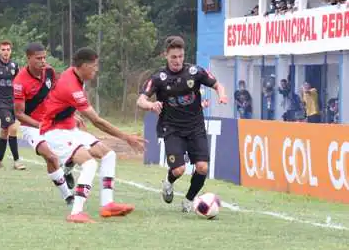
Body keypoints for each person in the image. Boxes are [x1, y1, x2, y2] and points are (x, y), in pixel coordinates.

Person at [40, 47, 146, 223]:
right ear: (82, 66)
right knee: (89, 163)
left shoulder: (75, 76)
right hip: (54, 133)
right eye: (93, 66)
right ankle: (75, 213)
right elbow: (97, 121)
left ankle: (107, 204)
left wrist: (71, 113)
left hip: (69, 128)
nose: (96, 70)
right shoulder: (72, 86)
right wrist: (126, 137)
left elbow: (58, 99)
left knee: (108, 155)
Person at [136, 36, 227, 213]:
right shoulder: (159, 78)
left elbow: (217, 84)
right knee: (179, 169)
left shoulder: (195, 72)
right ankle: (168, 183)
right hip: (172, 128)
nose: (177, 61)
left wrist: (221, 95)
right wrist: (151, 105)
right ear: (166, 56)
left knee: (202, 167)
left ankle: (189, 200)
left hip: (195, 127)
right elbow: (140, 100)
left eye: (180, 56)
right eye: (173, 57)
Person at [13, 42, 75, 204]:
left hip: (51, 122)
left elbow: (57, 93)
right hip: (31, 127)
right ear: (28, 59)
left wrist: (69, 111)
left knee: (75, 151)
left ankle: (67, 170)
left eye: (44, 58)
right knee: (51, 157)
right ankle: (68, 196)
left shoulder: (49, 72)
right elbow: (19, 114)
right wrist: (39, 125)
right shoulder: (20, 82)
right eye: (38, 58)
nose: (42, 61)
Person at [0, 40, 26, 170]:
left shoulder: (15, 66)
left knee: (4, 131)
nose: (5, 52)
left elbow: (20, 84)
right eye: (3, 49)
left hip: (12, 103)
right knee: (13, 128)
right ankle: (17, 161)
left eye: (8, 49)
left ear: (11, 51)